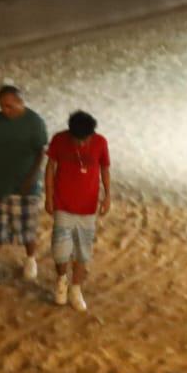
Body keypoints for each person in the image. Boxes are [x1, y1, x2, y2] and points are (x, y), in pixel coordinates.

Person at [0, 82, 48, 286]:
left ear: (20, 102)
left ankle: (30, 260)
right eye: (2, 106)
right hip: (0, 182)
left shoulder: (35, 122)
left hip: (25, 184)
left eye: (9, 106)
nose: (5, 110)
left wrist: (31, 178)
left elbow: (40, 152)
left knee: (27, 226)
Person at [45, 110, 110, 312]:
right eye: (77, 140)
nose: (81, 144)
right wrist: (49, 196)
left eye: (85, 140)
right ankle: (61, 281)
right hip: (63, 203)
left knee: (83, 251)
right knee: (60, 249)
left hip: (88, 207)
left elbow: (105, 168)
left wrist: (107, 195)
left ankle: (76, 288)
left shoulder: (100, 142)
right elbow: (50, 168)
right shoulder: (59, 140)